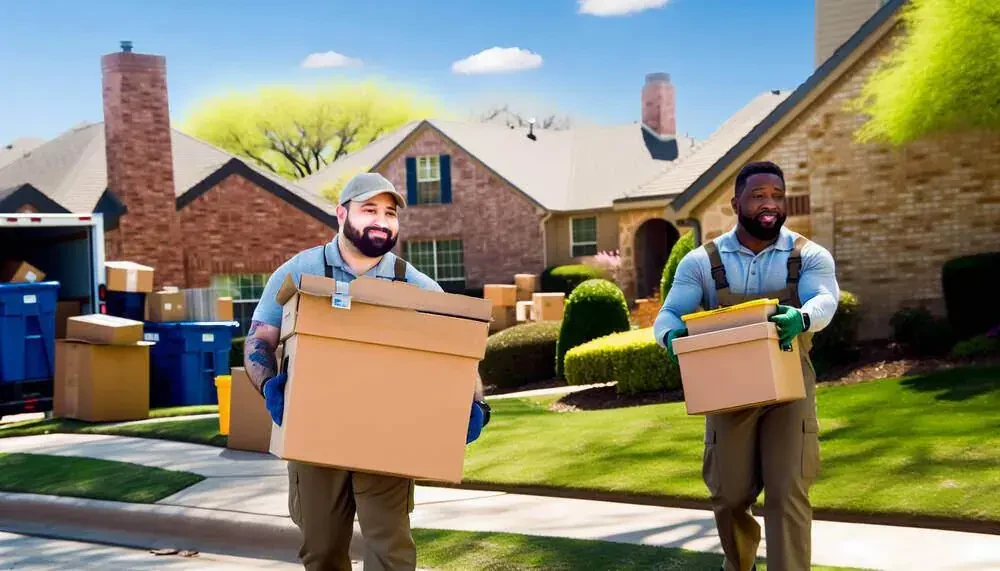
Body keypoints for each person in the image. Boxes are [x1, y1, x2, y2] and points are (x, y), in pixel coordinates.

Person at [243, 172, 491, 571]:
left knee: (389, 549)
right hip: (315, 433)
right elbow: (259, 340)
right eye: (369, 209)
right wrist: (271, 385)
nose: (382, 220)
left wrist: (475, 403)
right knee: (321, 550)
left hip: (388, 435)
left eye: (390, 213)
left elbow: (459, 352)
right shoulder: (301, 270)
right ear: (342, 213)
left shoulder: (414, 284)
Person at [653, 161, 839, 571]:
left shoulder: (808, 256)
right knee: (729, 494)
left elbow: (824, 300)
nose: (769, 203)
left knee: (788, 491)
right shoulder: (701, 262)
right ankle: (741, 566)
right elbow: (668, 314)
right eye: (758, 196)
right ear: (736, 202)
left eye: (776, 195)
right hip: (727, 388)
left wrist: (802, 318)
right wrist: (671, 339)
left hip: (790, 388)